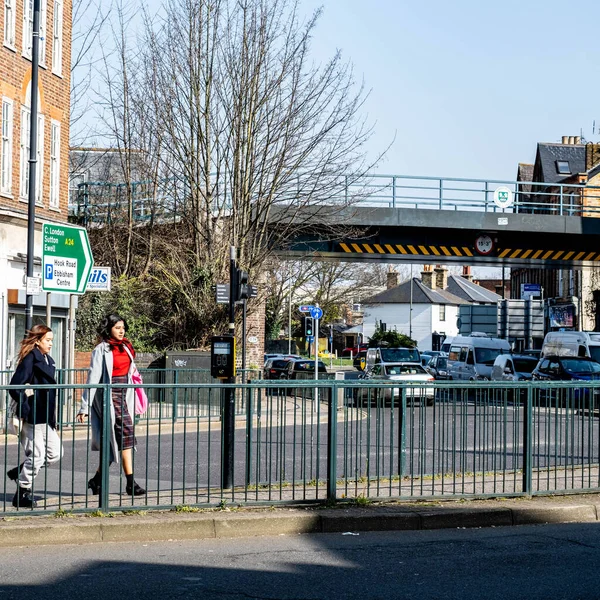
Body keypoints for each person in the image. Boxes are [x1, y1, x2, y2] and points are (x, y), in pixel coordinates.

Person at [77, 314, 146, 497]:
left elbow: (131, 371)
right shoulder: (102, 349)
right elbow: (93, 378)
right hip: (110, 395)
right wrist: (84, 406)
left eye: (123, 327)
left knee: (119, 440)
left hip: (125, 395)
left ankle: (97, 480)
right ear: (109, 329)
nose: (121, 330)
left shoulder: (127, 347)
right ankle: (130, 483)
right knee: (125, 434)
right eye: (117, 327)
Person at [8, 325, 62, 508]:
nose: (51, 344)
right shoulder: (31, 358)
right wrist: (27, 401)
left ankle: (21, 471)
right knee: (37, 456)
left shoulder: (49, 360)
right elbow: (15, 385)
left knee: (55, 453)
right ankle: (22, 492)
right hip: (33, 415)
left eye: (52, 340)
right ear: (37, 341)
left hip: (46, 415)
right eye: (48, 340)